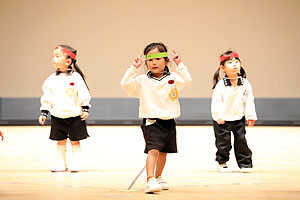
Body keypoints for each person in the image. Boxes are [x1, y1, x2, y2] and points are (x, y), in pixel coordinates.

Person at [121, 42, 192, 193]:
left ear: (167, 61)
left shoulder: (173, 78)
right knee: (153, 150)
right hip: (151, 121)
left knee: (164, 152)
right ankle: (150, 179)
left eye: (158, 58)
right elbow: (125, 84)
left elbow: (187, 80)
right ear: (146, 62)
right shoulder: (142, 80)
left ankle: (158, 176)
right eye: (150, 59)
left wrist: (180, 64)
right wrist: (133, 68)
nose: (154, 62)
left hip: (169, 121)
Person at [39, 44, 91, 173]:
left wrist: (85, 108)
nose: (53, 58)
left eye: (57, 56)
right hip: (57, 116)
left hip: (74, 116)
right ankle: (60, 163)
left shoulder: (76, 77)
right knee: (60, 142)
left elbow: (83, 93)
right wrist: (44, 112)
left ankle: (75, 163)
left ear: (68, 61)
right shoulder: (51, 79)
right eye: (53, 56)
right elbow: (47, 97)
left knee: (75, 141)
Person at [211, 50, 257, 173]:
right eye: (230, 62)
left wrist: (250, 116)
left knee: (241, 141)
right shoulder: (221, 85)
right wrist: (218, 116)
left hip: (238, 118)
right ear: (222, 68)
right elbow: (216, 102)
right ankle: (222, 162)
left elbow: (248, 101)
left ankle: (245, 163)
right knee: (223, 143)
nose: (234, 64)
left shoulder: (245, 84)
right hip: (223, 120)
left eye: (237, 62)